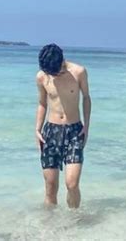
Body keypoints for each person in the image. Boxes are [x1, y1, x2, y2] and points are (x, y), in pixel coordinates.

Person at [35, 43, 91, 209]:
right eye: (51, 73)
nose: (54, 75)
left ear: (62, 61)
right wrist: (37, 129)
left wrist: (86, 127)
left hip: (74, 131)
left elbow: (86, 98)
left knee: (72, 184)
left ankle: (74, 222)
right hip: (50, 132)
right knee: (51, 187)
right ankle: (50, 228)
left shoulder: (79, 72)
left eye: (57, 71)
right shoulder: (42, 76)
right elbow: (42, 103)